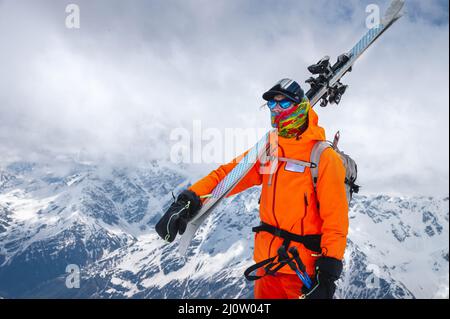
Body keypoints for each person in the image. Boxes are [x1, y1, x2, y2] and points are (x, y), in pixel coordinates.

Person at [155, 78, 349, 299]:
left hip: (302, 271)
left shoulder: (323, 157)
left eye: (283, 103)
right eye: (271, 104)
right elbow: (229, 175)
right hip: (267, 267)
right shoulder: (270, 150)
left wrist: (328, 273)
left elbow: (336, 220)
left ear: (299, 105)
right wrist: (190, 198)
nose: (276, 109)